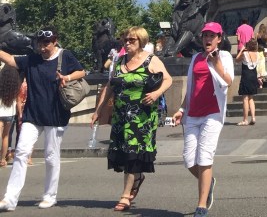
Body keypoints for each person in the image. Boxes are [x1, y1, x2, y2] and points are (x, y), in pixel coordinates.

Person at [0, 27, 86, 212]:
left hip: (55, 115)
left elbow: (82, 72)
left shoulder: (65, 56)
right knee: (21, 152)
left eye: (46, 43)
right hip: (33, 115)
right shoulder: (32, 59)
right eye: (40, 43)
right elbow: (9, 59)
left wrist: (67, 77)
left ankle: (49, 196)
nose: (43, 47)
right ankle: (10, 199)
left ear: (55, 41)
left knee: (51, 156)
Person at [91, 25, 172, 211]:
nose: (127, 43)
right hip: (121, 115)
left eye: (131, 40)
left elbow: (167, 79)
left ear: (141, 41)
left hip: (142, 116)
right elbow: (110, 86)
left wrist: (156, 94)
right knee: (125, 152)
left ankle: (125, 195)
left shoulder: (151, 60)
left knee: (132, 154)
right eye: (125, 40)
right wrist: (99, 110)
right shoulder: (119, 61)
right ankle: (137, 178)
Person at [172, 21, 234, 217]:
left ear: (219, 39)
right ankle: (209, 181)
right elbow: (191, 87)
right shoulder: (196, 58)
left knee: (204, 157)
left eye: (212, 36)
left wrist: (215, 64)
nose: (208, 39)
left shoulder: (223, 56)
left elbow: (228, 81)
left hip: (213, 113)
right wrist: (182, 108)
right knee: (189, 160)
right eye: (205, 35)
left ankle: (201, 205)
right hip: (193, 113)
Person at [235, 38, 259, 125]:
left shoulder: (245, 53)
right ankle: (253, 117)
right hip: (253, 76)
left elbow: (237, 59)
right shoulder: (257, 54)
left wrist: (241, 49)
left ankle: (245, 119)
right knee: (251, 98)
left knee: (245, 98)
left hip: (246, 77)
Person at [0, 66, 21, 167]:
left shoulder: (1, 84)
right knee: (5, 136)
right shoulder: (15, 86)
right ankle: (3, 160)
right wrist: (19, 113)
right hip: (10, 114)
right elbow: (18, 101)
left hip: (0, 112)